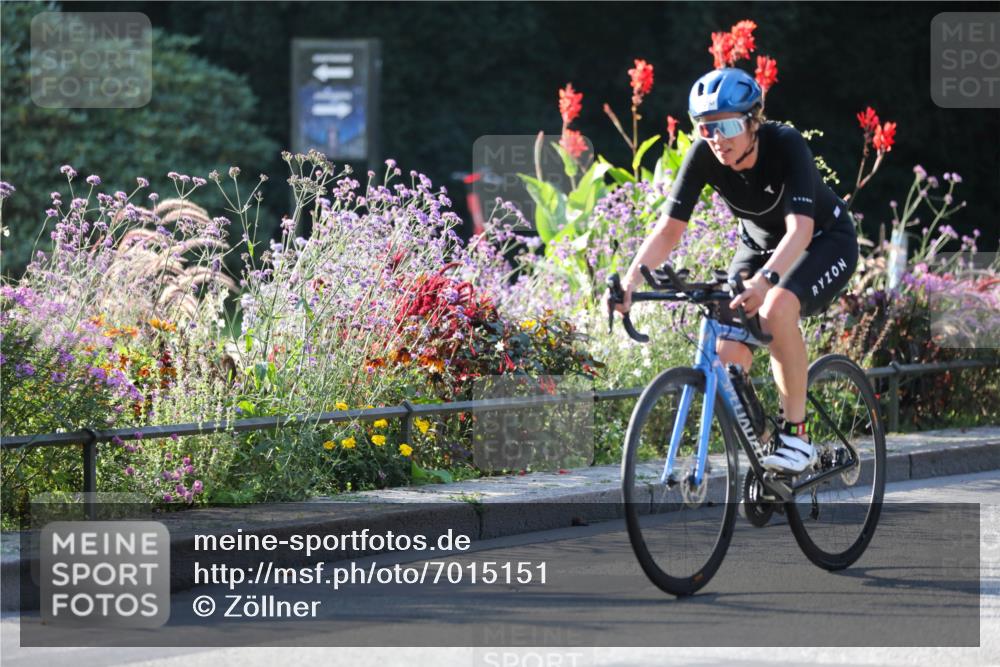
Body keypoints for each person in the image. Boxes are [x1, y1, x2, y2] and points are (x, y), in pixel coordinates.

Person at [612, 67, 860, 474]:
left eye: (727, 126)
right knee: (727, 357)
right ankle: (767, 449)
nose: (717, 139)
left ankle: (796, 436)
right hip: (759, 247)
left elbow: (800, 230)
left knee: (776, 308)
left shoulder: (786, 144)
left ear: (753, 121)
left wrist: (765, 282)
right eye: (706, 128)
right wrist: (631, 280)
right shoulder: (705, 155)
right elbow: (669, 230)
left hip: (823, 240)